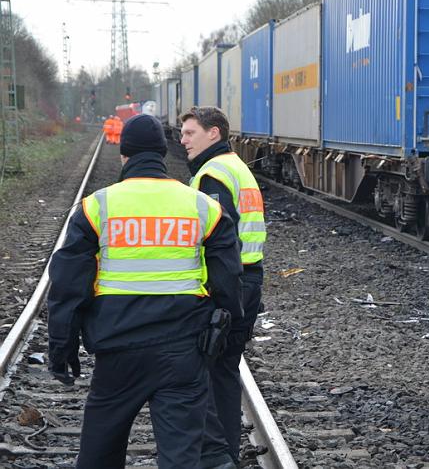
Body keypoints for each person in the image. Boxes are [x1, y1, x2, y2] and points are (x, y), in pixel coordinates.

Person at [47, 114, 244, 469]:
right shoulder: (202, 207)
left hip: (117, 353)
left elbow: (67, 286)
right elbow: (229, 282)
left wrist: (62, 348)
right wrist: (225, 338)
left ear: (124, 156)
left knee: (99, 454)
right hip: (183, 353)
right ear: (162, 155)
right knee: (182, 456)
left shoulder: (96, 207)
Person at [180, 106, 266, 464]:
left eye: (189, 133)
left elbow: (220, 241)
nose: (182, 139)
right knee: (225, 372)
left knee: (212, 376)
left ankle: (218, 457)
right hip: (249, 277)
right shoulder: (236, 167)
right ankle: (226, 452)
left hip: (228, 283)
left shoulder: (212, 175)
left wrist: (218, 299)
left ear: (213, 133)